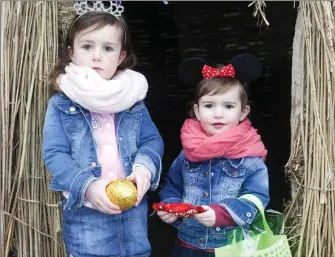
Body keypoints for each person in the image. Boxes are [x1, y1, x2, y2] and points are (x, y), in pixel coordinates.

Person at [42, 2, 164, 257]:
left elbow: (152, 140)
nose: (97, 55)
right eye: (87, 46)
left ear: (121, 56)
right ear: (72, 53)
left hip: (133, 215)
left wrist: (144, 169)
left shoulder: (132, 100)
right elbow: (55, 154)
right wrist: (87, 185)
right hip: (88, 216)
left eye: (107, 48)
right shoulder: (62, 103)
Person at [158, 54, 269, 257]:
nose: (218, 114)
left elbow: (258, 197)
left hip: (231, 247)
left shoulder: (250, 157)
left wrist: (224, 214)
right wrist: (170, 206)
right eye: (209, 105)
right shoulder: (187, 153)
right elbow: (172, 185)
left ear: (243, 112)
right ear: (197, 111)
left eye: (228, 106)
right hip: (188, 245)